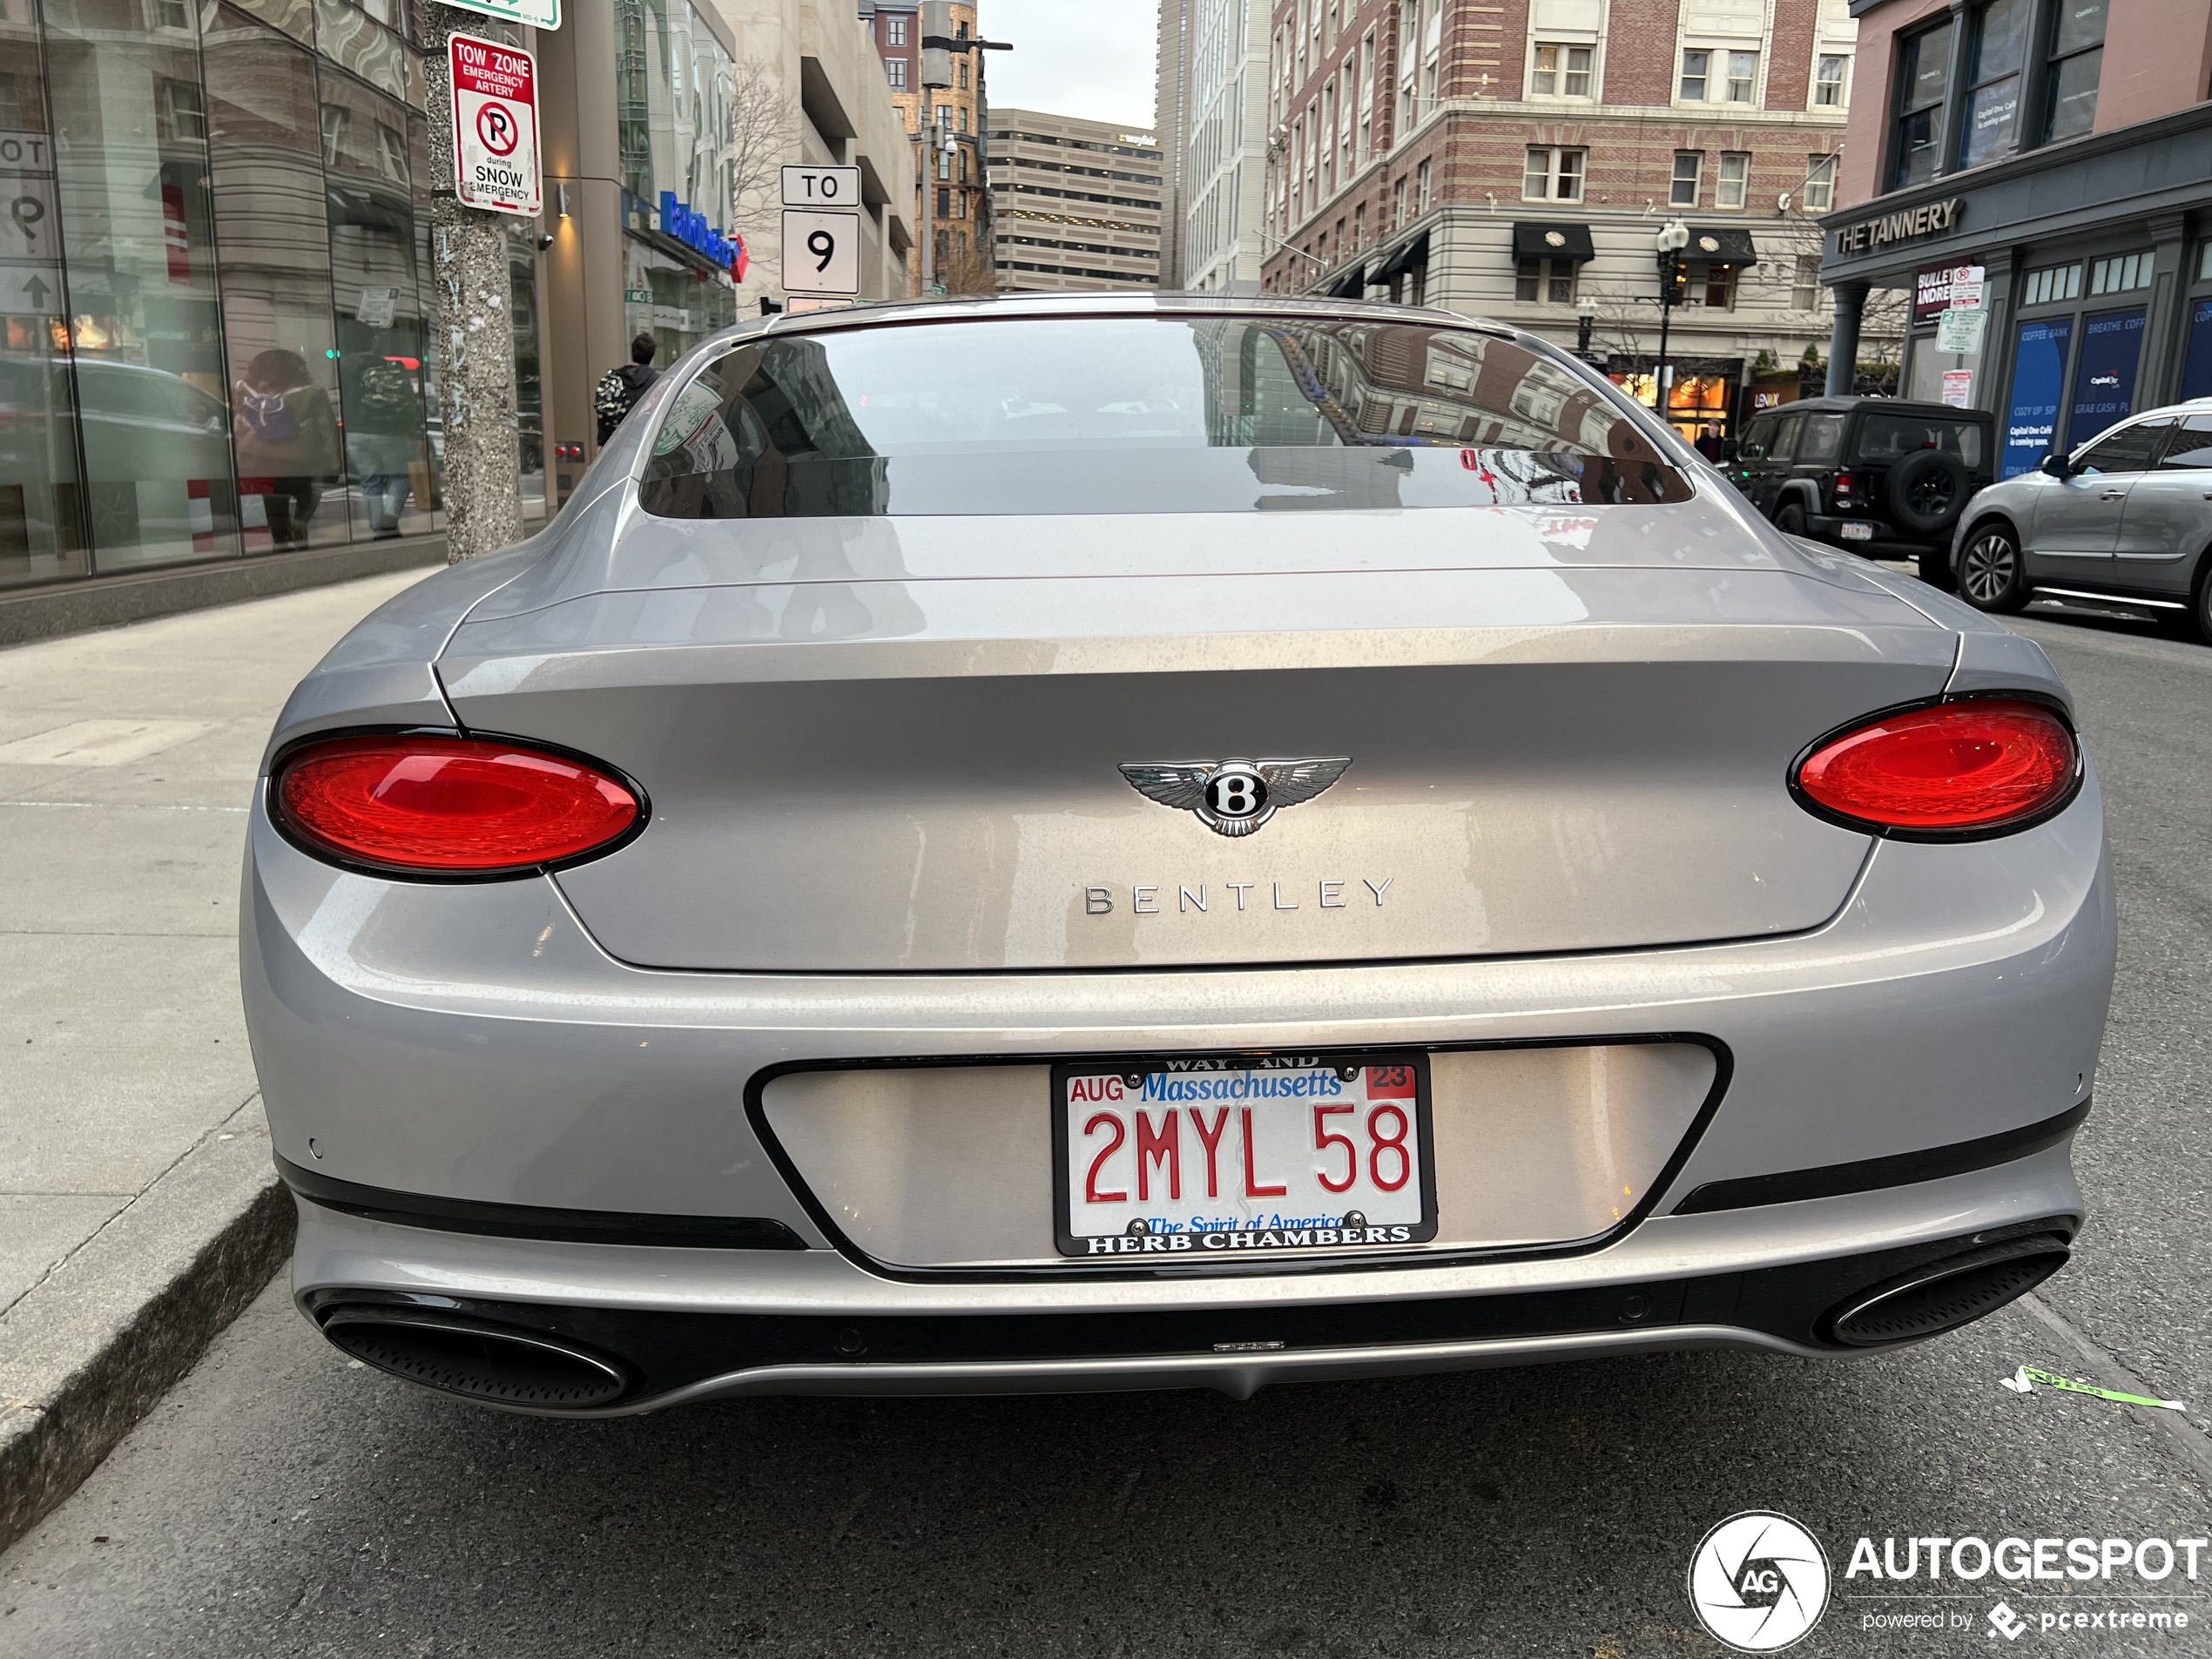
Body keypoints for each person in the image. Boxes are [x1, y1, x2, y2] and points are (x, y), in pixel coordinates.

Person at [233, 347, 339, 549]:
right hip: (300, 459)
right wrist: (333, 461)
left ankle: (280, 541)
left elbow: (237, 424)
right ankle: (300, 521)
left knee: (273, 501)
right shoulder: (313, 394)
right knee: (309, 492)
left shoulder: (243, 393)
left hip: (261, 460)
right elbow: (327, 430)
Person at [594, 333, 660, 444]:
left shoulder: (615, 378)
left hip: (616, 442)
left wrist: (601, 442)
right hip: (646, 441)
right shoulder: (658, 382)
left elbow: (604, 413)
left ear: (632, 352)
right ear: (652, 355)